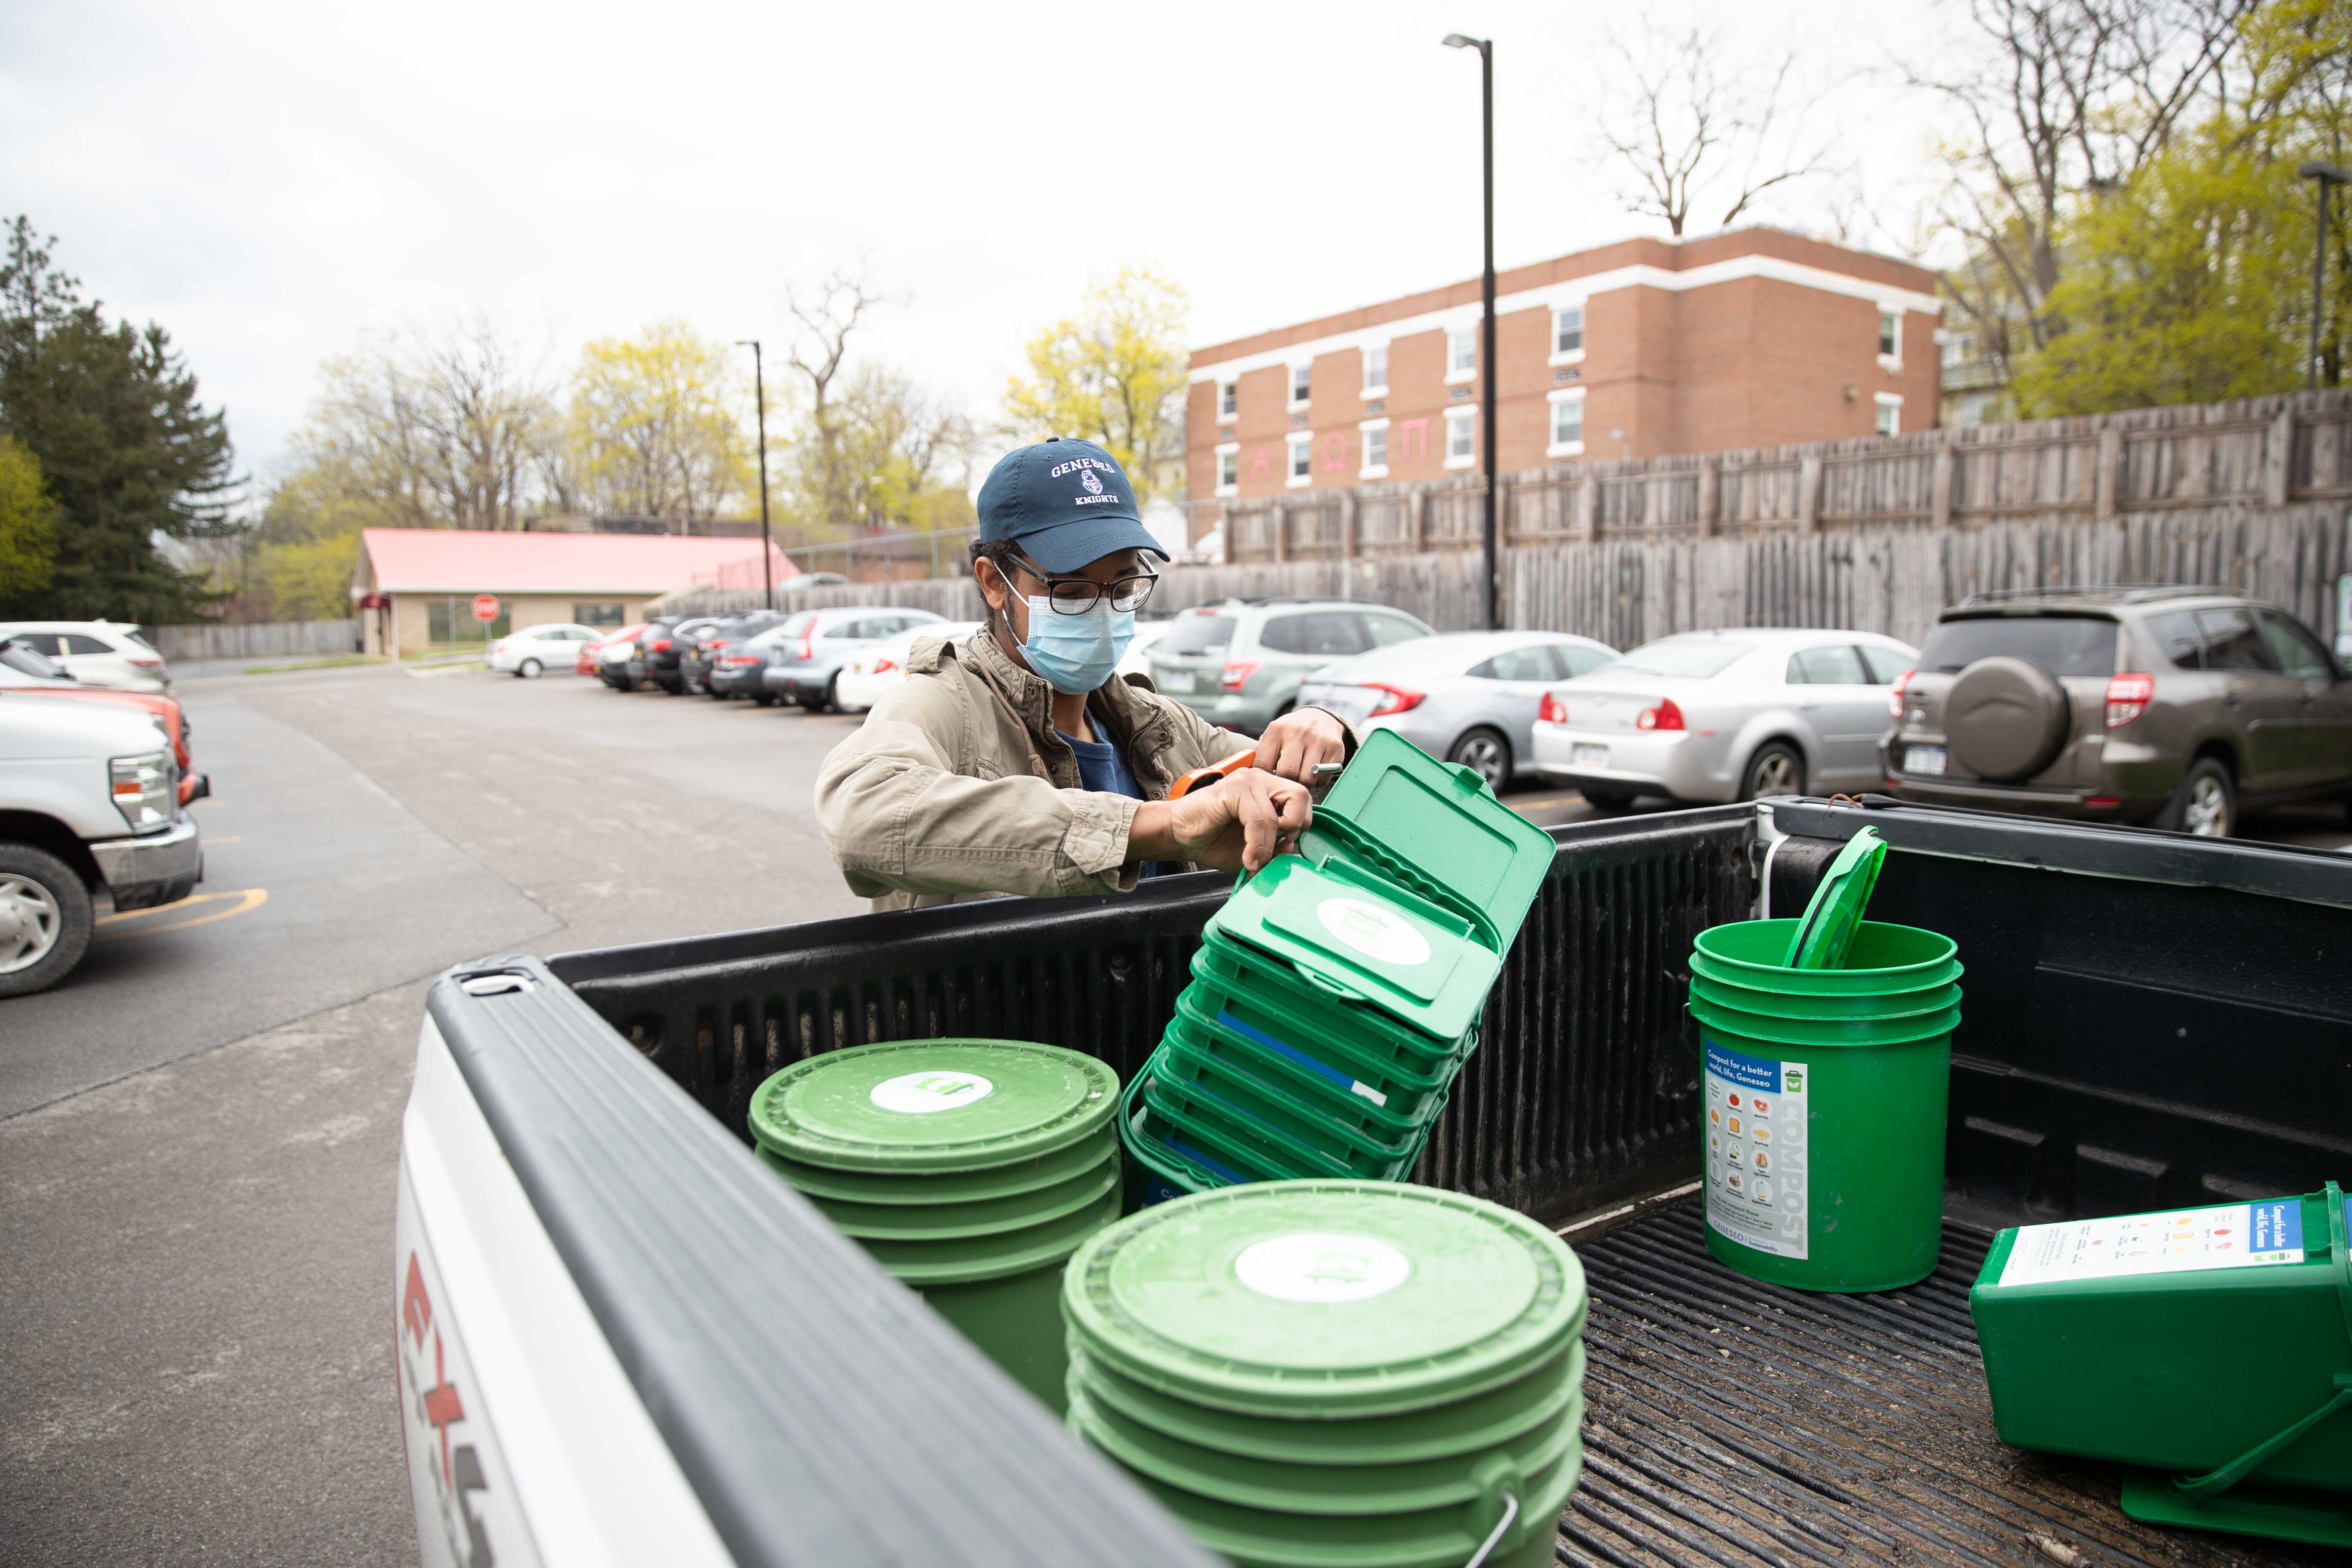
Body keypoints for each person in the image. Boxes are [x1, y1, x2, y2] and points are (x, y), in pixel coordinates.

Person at [815, 438, 1353, 911]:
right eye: (1070, 591)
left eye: (1122, 588)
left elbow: (1315, 799)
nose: (1102, 613)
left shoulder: (1159, 726)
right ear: (994, 582)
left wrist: (1325, 735)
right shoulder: (944, 705)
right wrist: (1162, 828)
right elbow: (863, 816)